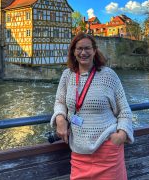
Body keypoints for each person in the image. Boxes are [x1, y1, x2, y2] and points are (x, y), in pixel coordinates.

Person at [50, 33, 134, 180]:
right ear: (73, 52)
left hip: (108, 150)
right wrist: (60, 118)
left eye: (87, 48)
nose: (83, 53)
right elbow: (60, 101)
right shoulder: (67, 75)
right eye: (79, 48)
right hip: (78, 151)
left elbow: (124, 111)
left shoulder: (109, 75)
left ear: (95, 51)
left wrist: (121, 136)